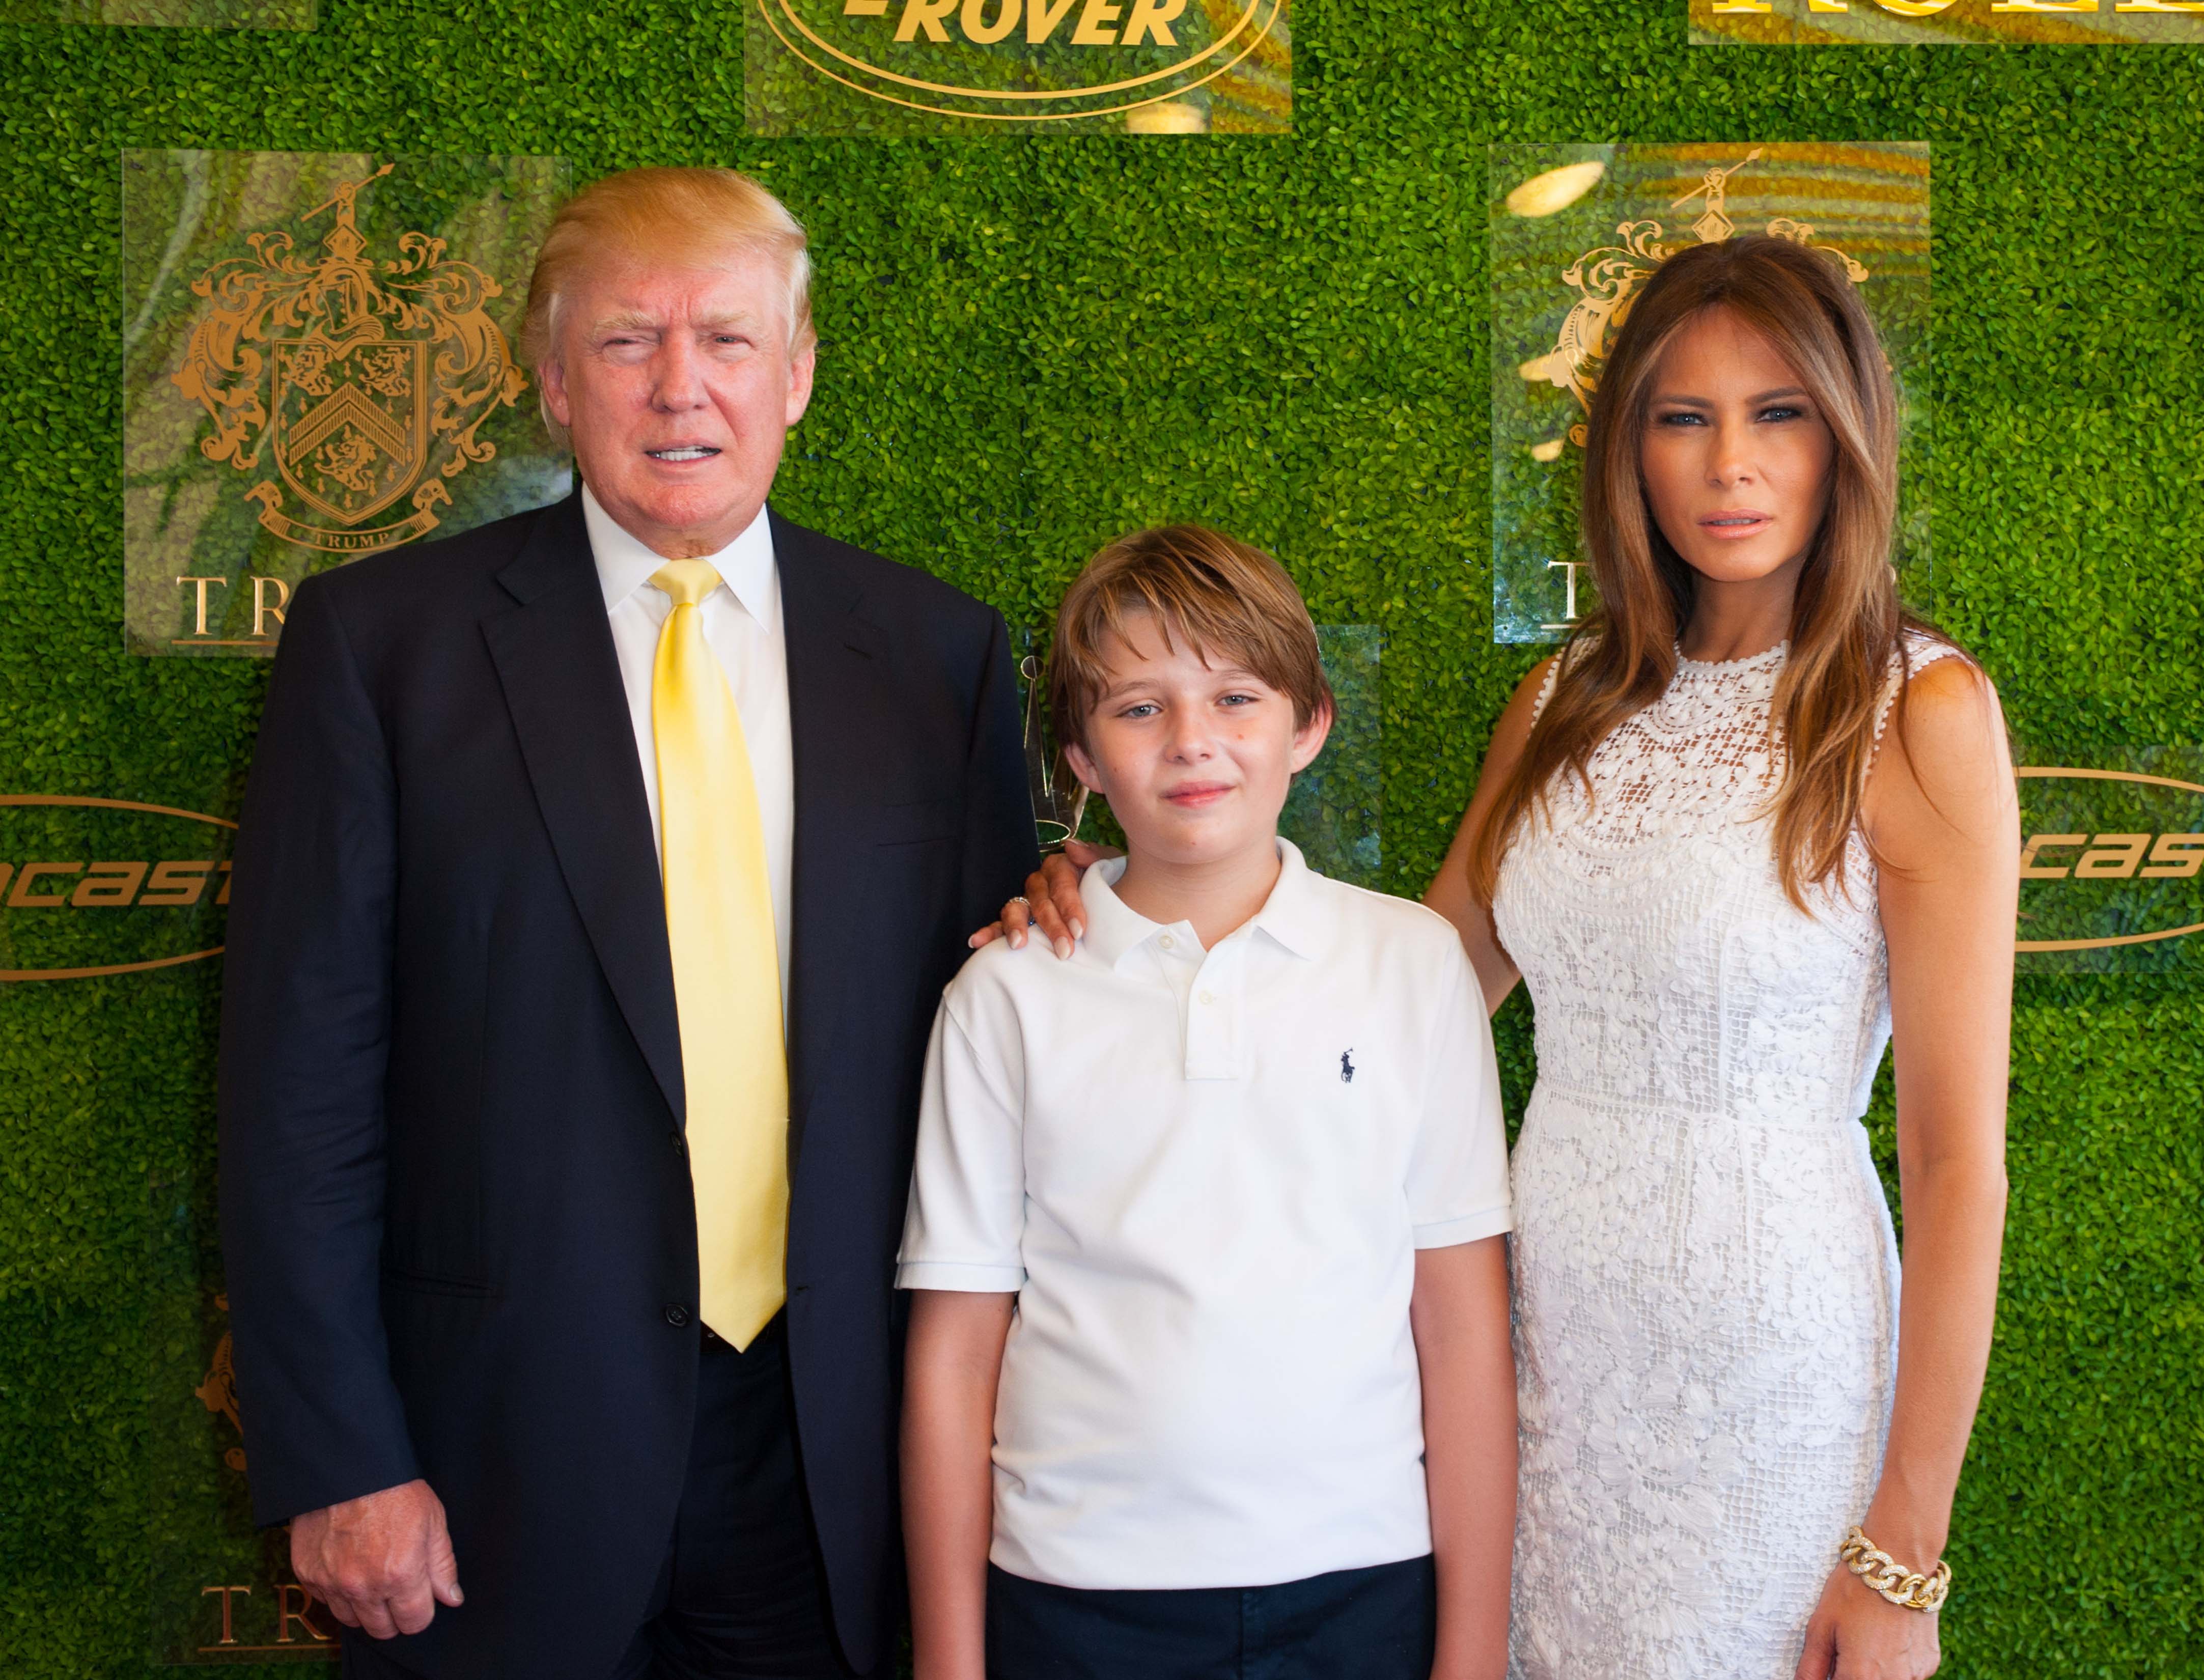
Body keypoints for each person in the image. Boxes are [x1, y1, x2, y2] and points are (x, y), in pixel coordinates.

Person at [991, 238, 2016, 1680]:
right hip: (1546, 1356)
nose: (1728, 462)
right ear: (1626, 454)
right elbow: (1416, 978)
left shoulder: (1918, 707)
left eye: (1776, 412)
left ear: (1846, 437)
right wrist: (1122, 901)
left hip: (1770, 1374)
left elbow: (1954, 1159)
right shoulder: (1565, 696)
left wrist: (1900, 1541)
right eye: (1681, 416)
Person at [216, 167, 1040, 1680]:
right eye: (624, 342)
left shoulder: (936, 656)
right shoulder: (379, 648)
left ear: (795, 374)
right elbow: (298, 1090)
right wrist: (338, 1455)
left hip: (840, 1467)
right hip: (489, 1462)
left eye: (726, 340)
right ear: (547, 379)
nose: (680, 389)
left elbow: (998, 1066)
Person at [904, 527, 1518, 1680]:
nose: (1193, 743)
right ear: (1080, 757)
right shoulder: (1009, 993)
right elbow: (955, 1348)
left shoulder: (1411, 965)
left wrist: (1472, 1651)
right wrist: (949, 1663)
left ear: (1309, 725)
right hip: (1073, 1594)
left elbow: (1462, 1326)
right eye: (1138, 709)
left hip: (1362, 1585)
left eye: (1235, 698)